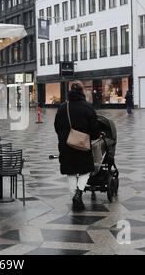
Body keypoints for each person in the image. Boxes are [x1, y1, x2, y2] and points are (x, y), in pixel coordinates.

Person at [54, 81, 100, 211]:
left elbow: (56, 127)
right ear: (82, 91)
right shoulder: (88, 107)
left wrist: (64, 138)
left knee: (71, 172)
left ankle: (75, 197)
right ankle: (79, 193)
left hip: (65, 145)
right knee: (86, 170)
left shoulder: (63, 107)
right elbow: (95, 130)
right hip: (82, 145)